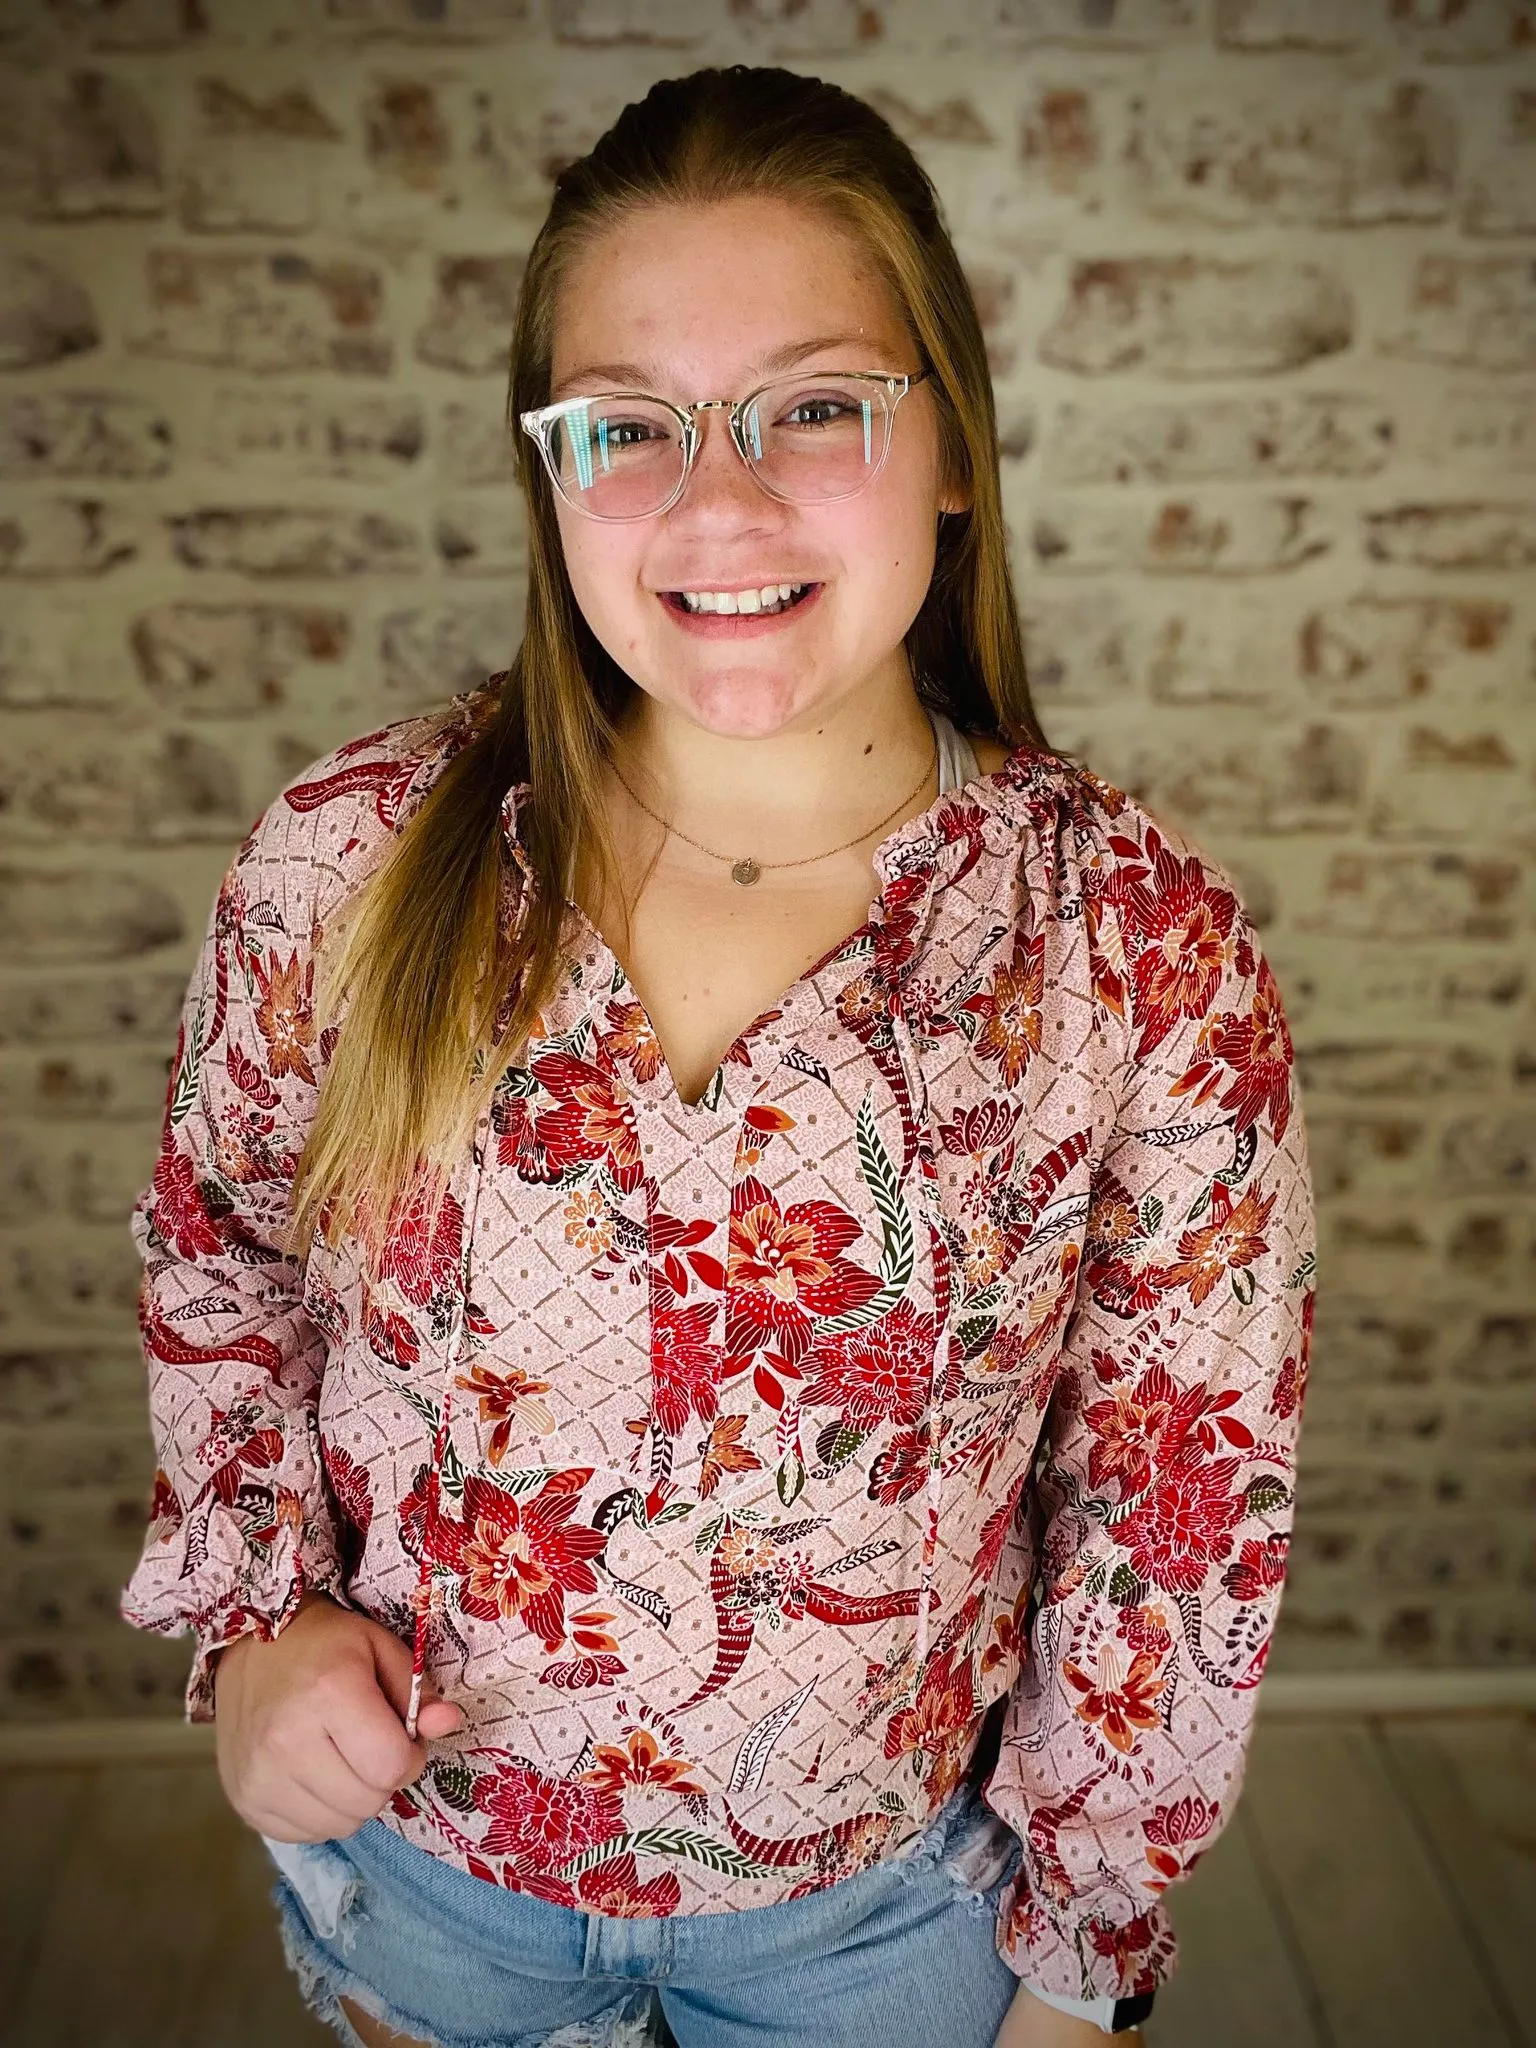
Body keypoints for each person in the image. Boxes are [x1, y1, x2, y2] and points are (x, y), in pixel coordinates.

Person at [120, 63, 1316, 2048]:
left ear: (951, 447)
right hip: (425, 1879)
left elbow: (1176, 1499)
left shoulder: (1132, 949)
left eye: (817, 404)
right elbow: (222, 1256)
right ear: (554, 470)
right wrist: (254, 1633)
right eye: (633, 430)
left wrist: (1079, 1967)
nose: (719, 502)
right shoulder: (350, 863)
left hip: (890, 1926)